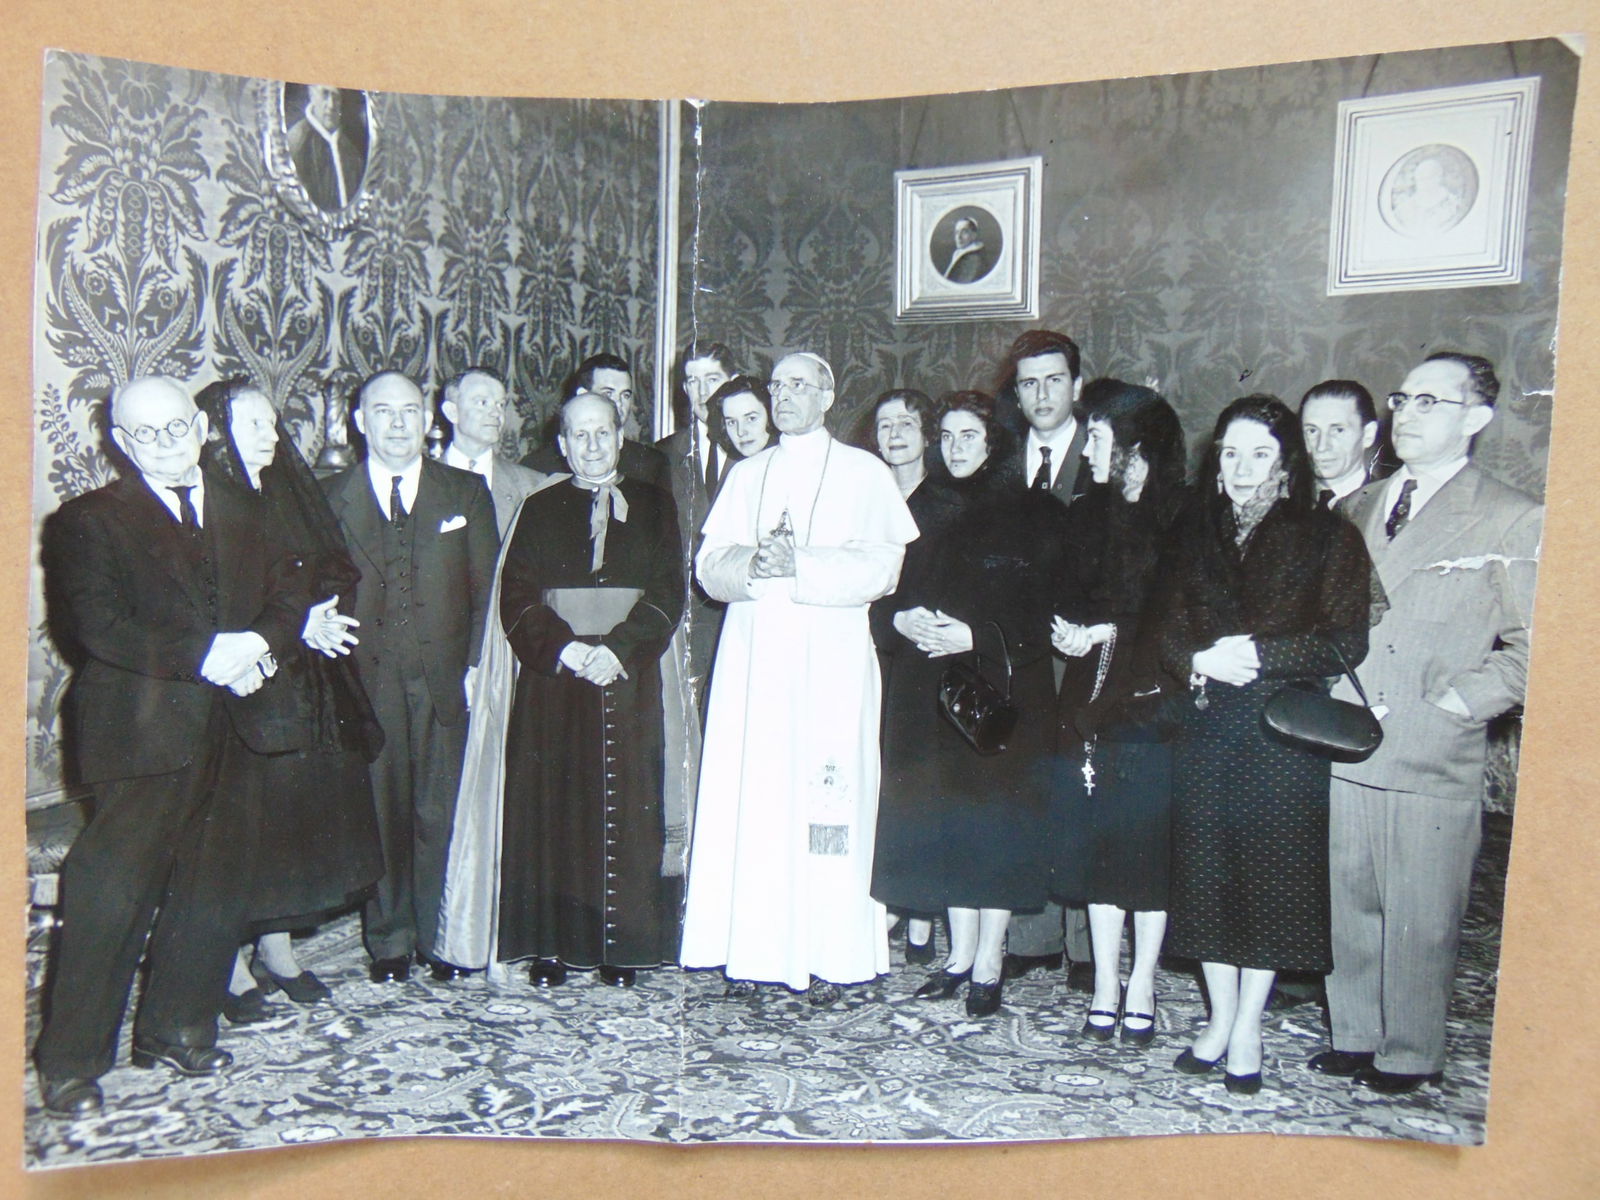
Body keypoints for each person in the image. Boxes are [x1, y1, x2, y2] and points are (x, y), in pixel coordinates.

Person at [34, 376, 305, 1116]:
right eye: (144, 434)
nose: (166, 444)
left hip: (238, 720)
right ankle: (70, 1062)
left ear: (201, 427)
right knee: (111, 894)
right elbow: (97, 627)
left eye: (176, 428)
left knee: (216, 885)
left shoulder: (249, 505)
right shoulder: (87, 522)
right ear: (121, 442)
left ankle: (177, 1028)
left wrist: (257, 644)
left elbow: (290, 592)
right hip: (141, 731)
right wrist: (207, 655)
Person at [1311, 352, 1541, 1095]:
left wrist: (1455, 705)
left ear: (1476, 419)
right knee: (1348, 897)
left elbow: (1536, 650)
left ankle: (1409, 1051)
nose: (1406, 415)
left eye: (1430, 403)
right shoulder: (1355, 508)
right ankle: (1352, 1033)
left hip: (1430, 745)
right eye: (1402, 399)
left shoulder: (1512, 515)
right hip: (1343, 735)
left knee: (1421, 909)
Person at [679, 351, 919, 1005]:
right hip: (756, 666)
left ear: (828, 393)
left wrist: (801, 564)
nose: (783, 397)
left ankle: (832, 952)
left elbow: (883, 570)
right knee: (757, 800)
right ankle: (752, 948)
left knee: (827, 804)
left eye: (797, 385)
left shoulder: (864, 474)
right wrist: (757, 563)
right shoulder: (748, 473)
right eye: (777, 385)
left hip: (832, 668)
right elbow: (708, 567)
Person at [1160, 394, 1375, 1095]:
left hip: (1280, 733)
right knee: (1206, 882)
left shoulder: (1328, 535)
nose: (1243, 467)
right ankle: (1218, 1018)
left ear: (1285, 464)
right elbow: (1159, 629)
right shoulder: (1191, 532)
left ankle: (1249, 1024)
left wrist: (1258, 653)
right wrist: (1196, 658)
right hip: (1205, 727)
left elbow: (1346, 639)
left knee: (1269, 887)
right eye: (1230, 452)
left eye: (1259, 453)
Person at [444, 392, 683, 988]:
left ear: (620, 435)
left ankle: (621, 950)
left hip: (626, 676)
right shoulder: (537, 505)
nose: (592, 445)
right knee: (552, 810)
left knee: (628, 809)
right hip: (556, 679)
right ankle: (551, 946)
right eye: (580, 435)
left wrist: (618, 651)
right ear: (563, 441)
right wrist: (570, 650)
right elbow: (517, 596)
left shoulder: (655, 504)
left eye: (603, 432)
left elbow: (666, 592)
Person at [195, 379, 385, 1023]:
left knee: (289, 826)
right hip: (232, 691)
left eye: (273, 425)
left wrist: (325, 614)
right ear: (217, 434)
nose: (272, 438)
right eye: (253, 427)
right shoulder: (203, 501)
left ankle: (276, 951)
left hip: (300, 685)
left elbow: (332, 567)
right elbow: (209, 600)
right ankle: (223, 965)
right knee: (236, 831)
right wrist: (290, 625)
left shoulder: (283, 492)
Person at [873, 392, 1060, 1015]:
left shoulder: (1030, 512)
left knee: (991, 829)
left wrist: (977, 636)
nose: (954, 449)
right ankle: (958, 955)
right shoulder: (917, 505)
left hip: (998, 689)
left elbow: (1046, 611)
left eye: (968, 437)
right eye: (946, 437)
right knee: (946, 820)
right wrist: (901, 620)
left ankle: (989, 959)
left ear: (994, 443)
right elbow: (883, 592)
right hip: (929, 690)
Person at [321, 371, 498, 983]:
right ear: (359, 421)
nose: (398, 424)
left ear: (429, 420)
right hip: (366, 683)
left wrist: (477, 666)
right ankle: (390, 940)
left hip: (445, 679)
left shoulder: (466, 493)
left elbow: (486, 594)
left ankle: (441, 936)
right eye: (382, 412)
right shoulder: (329, 497)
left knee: (438, 810)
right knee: (381, 808)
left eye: (409, 411)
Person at [1046, 379, 1187, 1047]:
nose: (1089, 449)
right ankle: (1105, 982)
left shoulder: (1181, 520)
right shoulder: (1087, 515)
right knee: (1102, 850)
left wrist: (1104, 635)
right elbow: (1076, 598)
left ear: (1136, 446)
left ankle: (1143, 983)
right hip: (1091, 699)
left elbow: (1177, 620)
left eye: (1099, 437)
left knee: (1144, 857)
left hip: (1152, 704)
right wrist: (1072, 631)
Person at [991, 329, 1094, 988]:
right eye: (1029, 382)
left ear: (1077, 386)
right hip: (1019, 654)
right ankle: (1032, 933)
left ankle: (1085, 945)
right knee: (1023, 783)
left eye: (1054, 380)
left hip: (1084, 653)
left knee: (1080, 789)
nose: (1041, 394)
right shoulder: (1001, 465)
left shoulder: (1106, 459)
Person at [865, 386, 960, 964]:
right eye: (884, 425)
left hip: (933, 658)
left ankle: (923, 915)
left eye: (907, 423)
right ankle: (891, 901)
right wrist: (890, 619)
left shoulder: (948, 500)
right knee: (881, 781)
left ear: (927, 435)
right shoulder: (865, 496)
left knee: (925, 786)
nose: (895, 434)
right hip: (876, 650)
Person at [524, 353, 668, 488]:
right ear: (582, 395)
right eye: (608, 393)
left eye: (625, 395)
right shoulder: (537, 467)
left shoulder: (651, 463)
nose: (618, 404)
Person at [441, 368, 547, 537]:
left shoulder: (533, 486)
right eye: (482, 403)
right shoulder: (417, 480)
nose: (496, 413)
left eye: (500, 404)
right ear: (452, 412)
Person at [1300, 380, 1381, 508]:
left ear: (1368, 434)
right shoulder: (1285, 503)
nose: (1321, 447)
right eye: (1312, 431)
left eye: (1338, 430)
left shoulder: (1383, 505)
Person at [287, 84, 366, 212]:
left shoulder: (351, 152)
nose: (331, 105)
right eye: (325, 94)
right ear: (311, 94)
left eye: (336, 97)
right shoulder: (295, 143)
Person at [708, 375, 775, 462]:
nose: (740, 432)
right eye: (732, 422)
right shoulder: (737, 470)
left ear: (770, 416)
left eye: (751, 419)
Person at [942, 216, 994, 283]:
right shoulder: (960, 254)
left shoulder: (973, 259)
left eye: (964, 232)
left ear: (974, 235)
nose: (959, 237)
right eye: (957, 232)